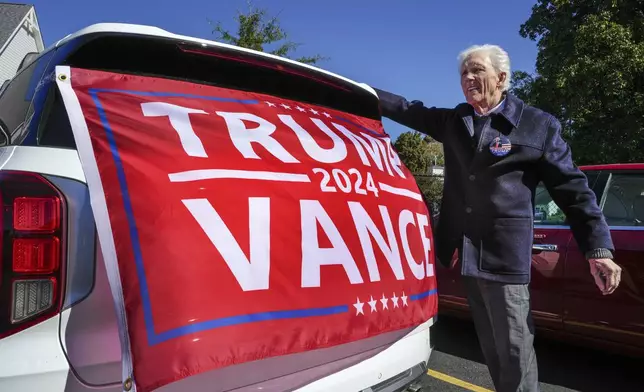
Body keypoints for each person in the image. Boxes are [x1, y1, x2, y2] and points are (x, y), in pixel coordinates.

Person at [372, 44, 622, 392]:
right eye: (463, 73)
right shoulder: (455, 120)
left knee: (514, 354)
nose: (468, 78)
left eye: (476, 71)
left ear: (502, 77)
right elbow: (408, 109)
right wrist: (359, 93)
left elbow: (573, 190)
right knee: (492, 350)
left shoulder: (536, 126)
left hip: (505, 257)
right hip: (467, 256)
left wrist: (599, 249)